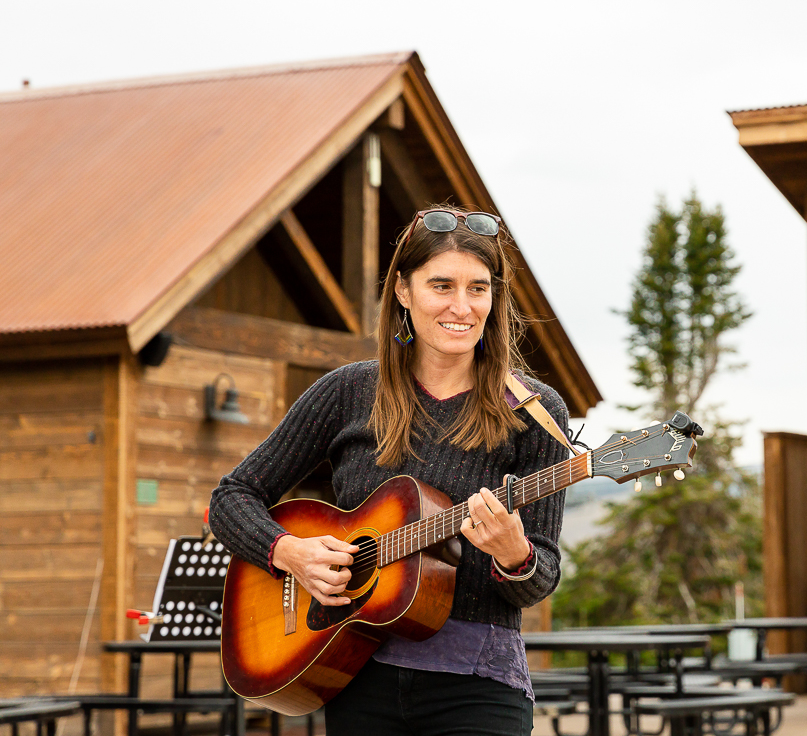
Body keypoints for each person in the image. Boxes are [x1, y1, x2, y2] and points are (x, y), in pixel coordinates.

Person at [208, 205, 571, 736]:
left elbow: (539, 579)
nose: (461, 307)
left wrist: (514, 555)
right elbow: (232, 495)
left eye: (478, 288)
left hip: (477, 682)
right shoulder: (349, 391)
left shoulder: (534, 410)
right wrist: (291, 553)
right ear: (403, 289)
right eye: (441, 285)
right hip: (355, 674)